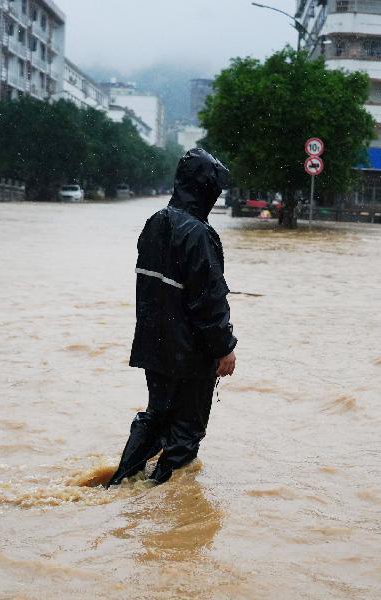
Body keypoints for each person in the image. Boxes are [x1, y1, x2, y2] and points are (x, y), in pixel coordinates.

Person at [107, 148, 237, 487]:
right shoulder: (200, 234)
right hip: (190, 353)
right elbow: (208, 300)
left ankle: (121, 483)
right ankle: (160, 497)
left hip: (154, 346)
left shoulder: (156, 222)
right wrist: (224, 347)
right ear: (205, 188)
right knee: (186, 430)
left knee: (157, 415)